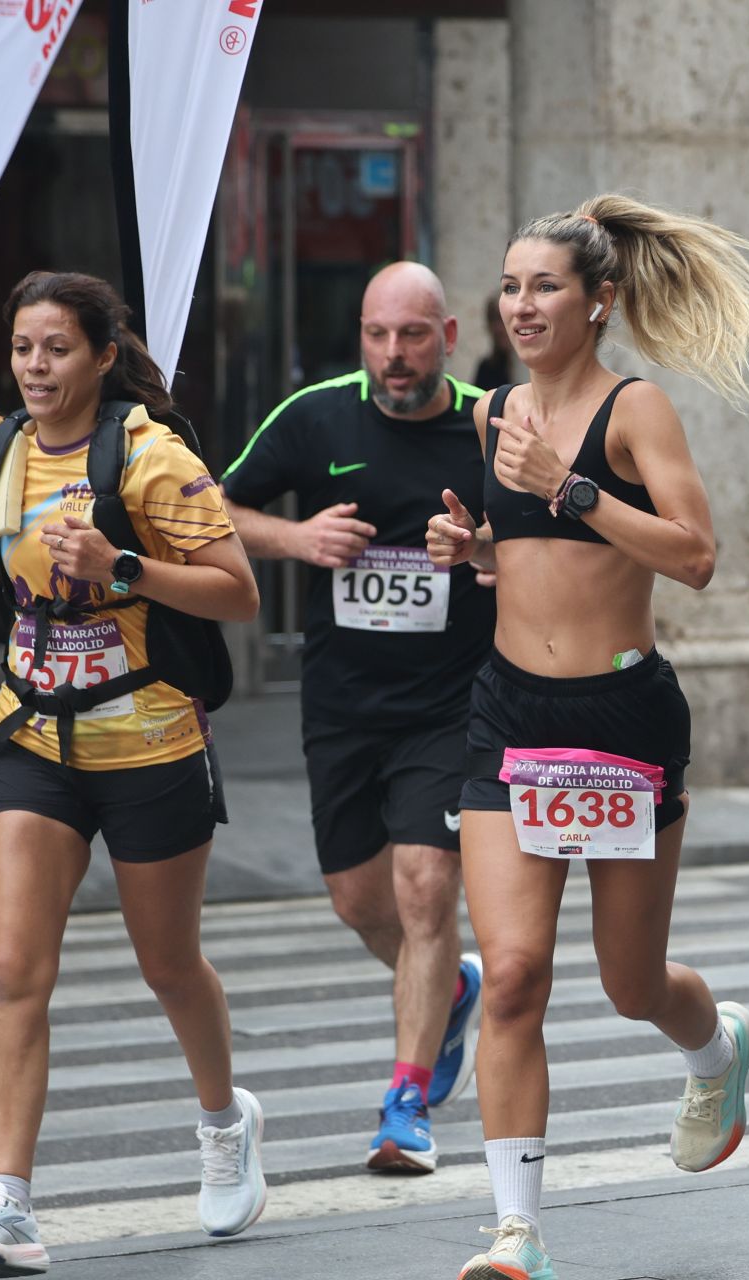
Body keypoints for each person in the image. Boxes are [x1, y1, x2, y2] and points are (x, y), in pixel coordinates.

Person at [427, 195, 749, 1280]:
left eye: (546, 287)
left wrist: (566, 486)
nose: (521, 305)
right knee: (516, 971)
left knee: (629, 982)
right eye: (511, 285)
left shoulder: (634, 410)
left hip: (622, 720)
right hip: (511, 714)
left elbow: (695, 553)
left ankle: (717, 1047)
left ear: (598, 301)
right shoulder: (491, 417)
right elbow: (526, 551)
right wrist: (470, 544)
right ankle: (517, 1227)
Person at [0, 272, 268, 1270]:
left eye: (57, 350)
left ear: (103, 355)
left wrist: (122, 566)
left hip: (151, 743)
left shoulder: (152, 457)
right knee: (19, 970)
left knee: (168, 961)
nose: (37, 368)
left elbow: (239, 593)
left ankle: (223, 1120)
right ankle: (7, 1202)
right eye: (25, 348)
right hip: (33, 740)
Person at [221, 261, 489, 1175]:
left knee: (424, 887)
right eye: (378, 334)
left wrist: (484, 552)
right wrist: (297, 539)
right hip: (341, 704)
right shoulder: (317, 414)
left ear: (446, 338)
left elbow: (545, 540)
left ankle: (405, 1101)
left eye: (413, 335)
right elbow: (213, 507)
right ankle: (450, 988)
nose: (393, 354)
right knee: (359, 901)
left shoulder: (491, 422)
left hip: (452, 702)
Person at [473, 291, 519, 392]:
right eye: (492, 320)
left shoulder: (534, 366)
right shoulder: (486, 369)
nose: (498, 328)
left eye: (503, 319)